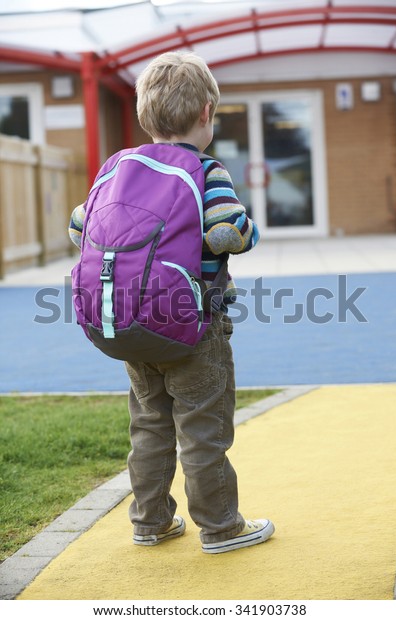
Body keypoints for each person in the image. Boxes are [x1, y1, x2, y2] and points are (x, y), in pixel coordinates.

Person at [69, 51, 275, 554]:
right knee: (203, 431)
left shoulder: (117, 168)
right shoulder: (207, 170)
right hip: (195, 327)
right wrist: (246, 231)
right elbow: (226, 230)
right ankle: (221, 528)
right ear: (207, 112)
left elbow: (80, 225)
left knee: (149, 425)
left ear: (145, 115)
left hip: (132, 324)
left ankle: (151, 521)